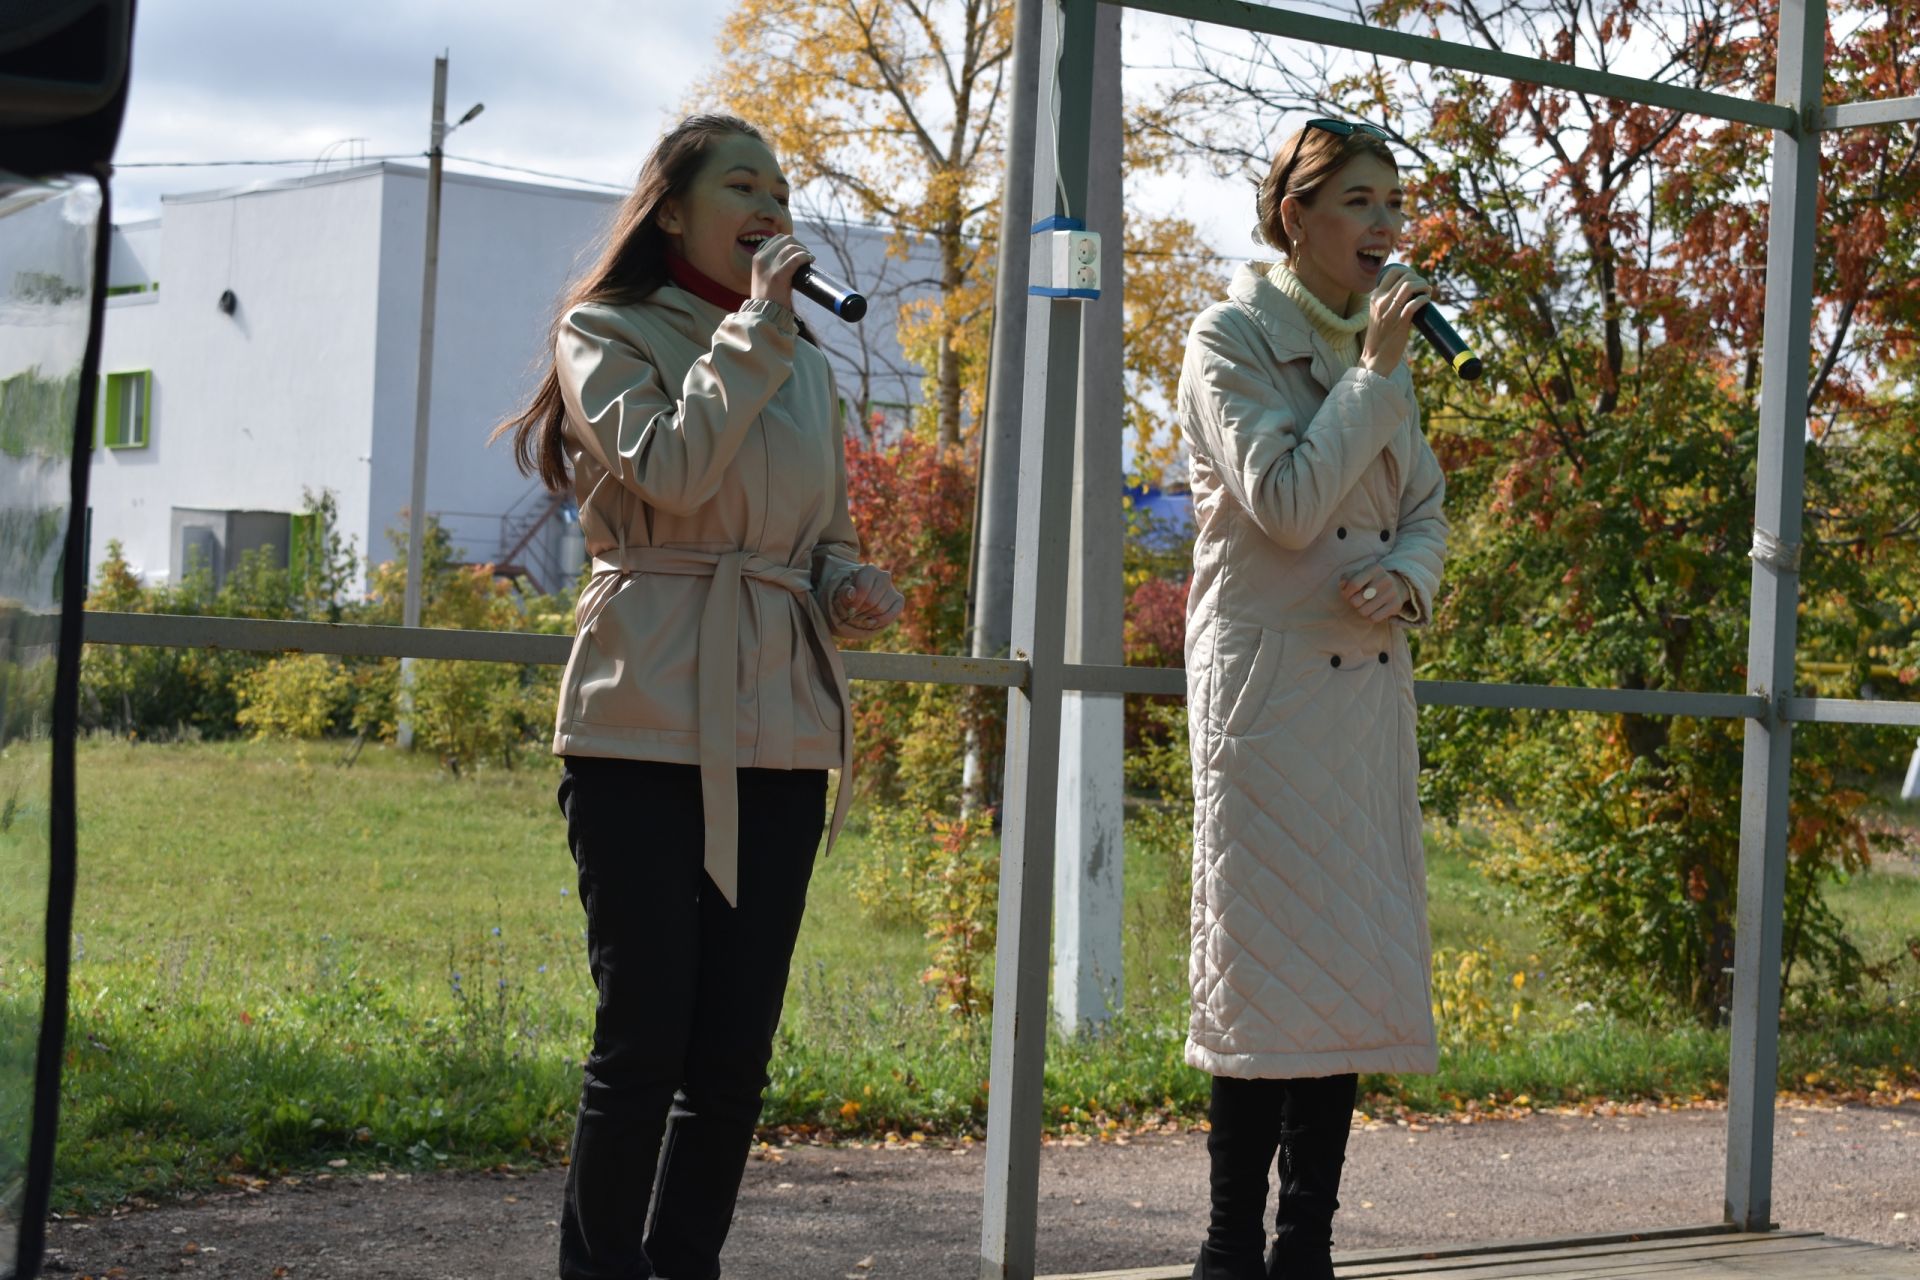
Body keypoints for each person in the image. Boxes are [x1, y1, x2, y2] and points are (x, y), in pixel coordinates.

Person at [493, 113, 905, 1280]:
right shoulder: (608, 329)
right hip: (637, 720)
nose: (774, 203)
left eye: (784, 186)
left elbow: (818, 535)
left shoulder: (804, 364)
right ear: (672, 209)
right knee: (643, 1035)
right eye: (744, 183)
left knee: (733, 1055)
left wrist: (846, 581)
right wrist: (760, 330)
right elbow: (672, 470)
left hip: (781, 729)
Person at [1176, 117, 1449, 1280]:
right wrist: (1376, 376)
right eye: (1362, 203)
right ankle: (1230, 1243)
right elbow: (1285, 501)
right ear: (1297, 215)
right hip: (1269, 692)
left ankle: (1308, 1249)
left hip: (1364, 691)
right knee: (1262, 974)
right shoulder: (1229, 337)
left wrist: (1410, 578)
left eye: (1396, 204)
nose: (1389, 227)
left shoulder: (1378, 353)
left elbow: (1425, 506)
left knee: (1340, 977)